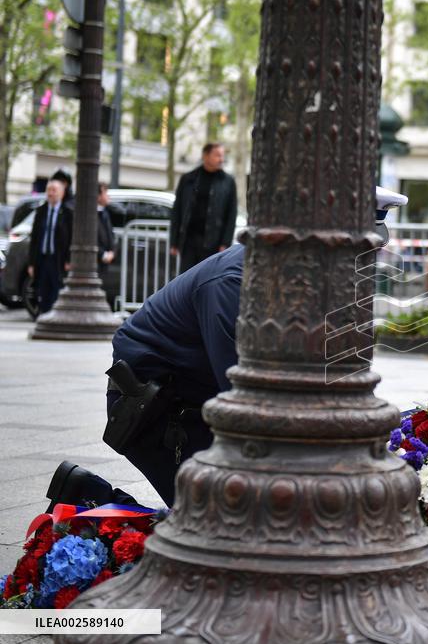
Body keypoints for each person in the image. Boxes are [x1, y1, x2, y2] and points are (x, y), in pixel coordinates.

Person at [45, 188, 407, 510]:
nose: (362, 263)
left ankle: (89, 499)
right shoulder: (237, 283)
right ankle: (93, 505)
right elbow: (244, 396)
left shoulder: (305, 280)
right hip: (160, 408)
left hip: (199, 397)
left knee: (240, 520)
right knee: (218, 523)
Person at [170, 142, 239, 273]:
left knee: (208, 279)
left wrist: (225, 243)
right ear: (205, 156)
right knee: (186, 279)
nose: (221, 159)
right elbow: (177, 210)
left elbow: (231, 214)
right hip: (189, 241)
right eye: (217, 155)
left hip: (214, 243)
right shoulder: (188, 179)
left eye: (222, 156)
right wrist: (174, 241)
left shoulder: (228, 182)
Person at [27, 176, 74, 314]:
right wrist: (31, 263)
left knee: (56, 289)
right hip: (42, 257)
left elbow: (71, 238)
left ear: (62, 193)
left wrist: (69, 259)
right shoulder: (41, 211)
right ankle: (42, 316)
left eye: (54, 190)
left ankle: (53, 316)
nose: (51, 193)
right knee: (42, 290)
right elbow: (34, 238)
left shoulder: (67, 212)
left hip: (57, 259)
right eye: (49, 190)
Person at [97, 181, 115, 278]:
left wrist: (112, 252)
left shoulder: (105, 213)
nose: (108, 196)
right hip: (97, 260)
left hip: (105, 260)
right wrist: (103, 254)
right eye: (105, 193)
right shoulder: (91, 214)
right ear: (98, 196)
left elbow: (111, 235)